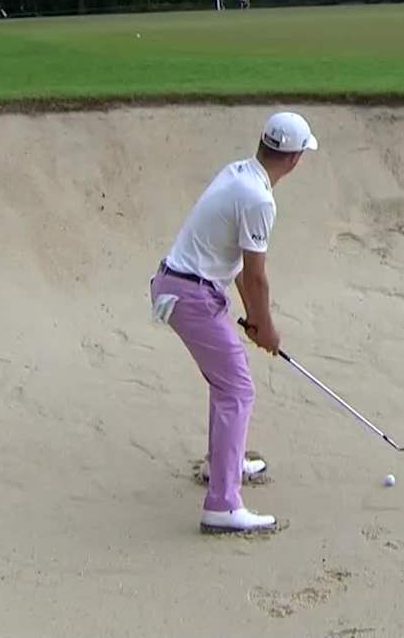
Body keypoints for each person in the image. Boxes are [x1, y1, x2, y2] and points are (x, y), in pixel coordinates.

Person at [150, 111, 319, 534]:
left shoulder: (238, 172)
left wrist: (259, 324)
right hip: (190, 294)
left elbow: (242, 271)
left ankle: (223, 464)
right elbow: (257, 275)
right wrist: (268, 327)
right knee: (237, 388)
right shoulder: (260, 200)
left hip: (184, 286)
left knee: (227, 383)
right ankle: (222, 505)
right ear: (295, 159)